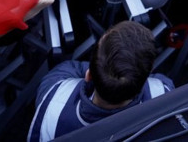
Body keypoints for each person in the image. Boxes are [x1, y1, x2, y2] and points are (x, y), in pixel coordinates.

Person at [28, 21, 174, 142]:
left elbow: (66, 68)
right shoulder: (163, 95)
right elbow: (160, 79)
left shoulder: (55, 100)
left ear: (88, 76)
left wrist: (102, 70)